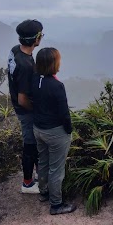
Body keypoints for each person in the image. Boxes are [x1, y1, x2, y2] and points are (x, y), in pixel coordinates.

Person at [31, 47, 76, 215]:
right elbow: (64, 112)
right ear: (53, 64)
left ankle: (43, 192)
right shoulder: (57, 85)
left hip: (38, 129)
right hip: (56, 132)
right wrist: (69, 130)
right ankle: (56, 204)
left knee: (43, 161)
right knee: (56, 168)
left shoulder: (34, 79)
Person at [8, 19, 44, 194]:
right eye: (41, 34)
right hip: (25, 109)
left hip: (19, 105)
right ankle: (28, 183)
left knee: (33, 144)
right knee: (30, 145)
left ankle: (37, 175)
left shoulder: (16, 51)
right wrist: (37, 110)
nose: (42, 37)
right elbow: (23, 99)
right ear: (36, 38)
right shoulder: (26, 66)